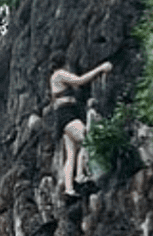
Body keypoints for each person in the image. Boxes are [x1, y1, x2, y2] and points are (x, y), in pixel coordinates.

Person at [48, 53, 113, 196]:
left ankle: (69, 189)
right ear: (64, 63)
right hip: (66, 115)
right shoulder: (59, 74)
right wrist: (100, 69)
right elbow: (79, 81)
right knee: (88, 139)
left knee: (71, 154)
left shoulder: (54, 78)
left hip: (65, 115)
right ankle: (80, 177)